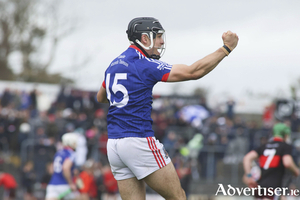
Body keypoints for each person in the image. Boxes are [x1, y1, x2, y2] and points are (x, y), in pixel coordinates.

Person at [96, 17, 238, 200]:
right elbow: (194, 72)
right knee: (178, 197)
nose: (162, 41)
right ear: (144, 38)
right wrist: (226, 49)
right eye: (158, 36)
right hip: (138, 140)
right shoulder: (144, 64)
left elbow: (101, 97)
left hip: (114, 145)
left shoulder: (113, 64)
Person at [243, 122, 300, 200]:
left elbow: (247, 158)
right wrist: (296, 170)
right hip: (273, 186)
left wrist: (249, 175)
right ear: (285, 135)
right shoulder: (285, 146)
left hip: (260, 185)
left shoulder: (263, 146)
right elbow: (287, 162)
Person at [45, 132, 79, 200]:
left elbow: (51, 170)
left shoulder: (58, 153)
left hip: (52, 184)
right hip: (65, 185)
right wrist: (71, 183)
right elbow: (65, 168)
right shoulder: (71, 153)